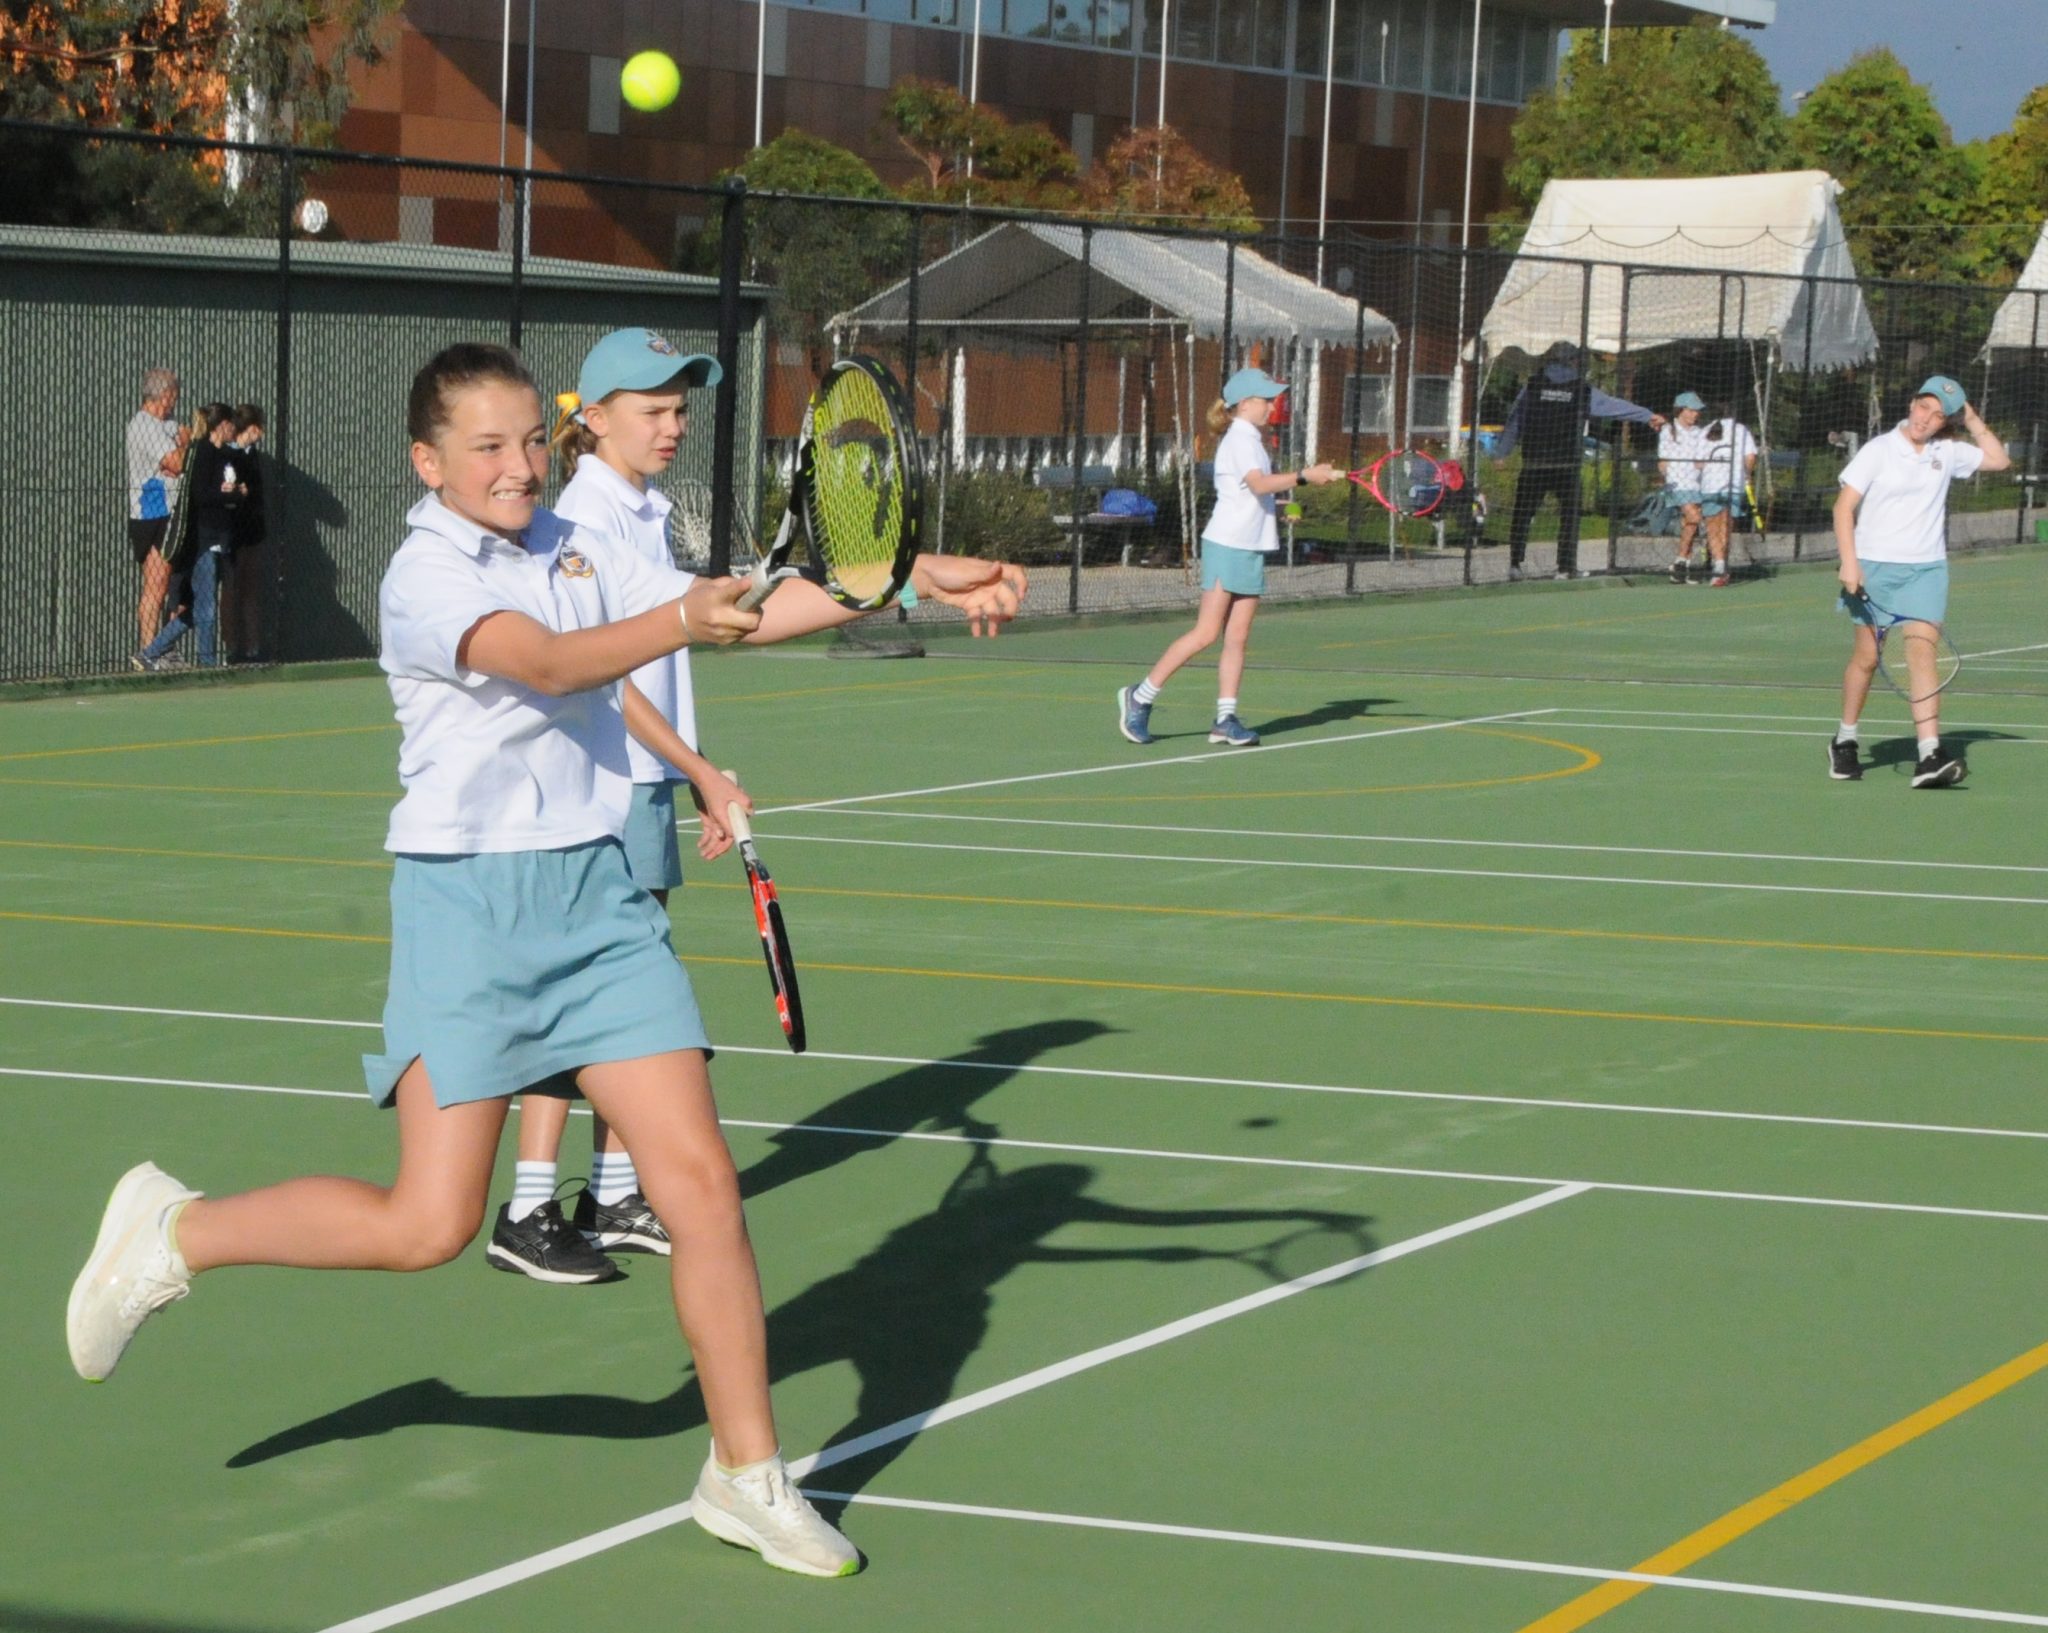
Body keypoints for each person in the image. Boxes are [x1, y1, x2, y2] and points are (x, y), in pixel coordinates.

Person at [66, 341, 1027, 1578]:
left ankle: (745, 1474)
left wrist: (893, 582)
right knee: (427, 1224)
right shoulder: (423, 574)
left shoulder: (574, 541)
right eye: (487, 447)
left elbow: (721, 615)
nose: (518, 465)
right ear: (428, 463)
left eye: (529, 439)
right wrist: (680, 618)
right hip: (470, 909)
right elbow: (553, 662)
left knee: (702, 1186)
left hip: (599, 904)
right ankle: (178, 1229)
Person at [476, 329, 736, 1287]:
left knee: (626, 995)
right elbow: (606, 678)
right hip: (609, 782)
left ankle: (613, 1192)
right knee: (590, 992)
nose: (674, 426)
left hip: (645, 779)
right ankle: (529, 1204)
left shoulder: (641, 507)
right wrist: (696, 768)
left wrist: (688, 767)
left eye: (681, 409)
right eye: (654, 409)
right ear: (593, 417)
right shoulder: (584, 517)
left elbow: (674, 641)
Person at [1117, 366, 1336, 748]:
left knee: (1237, 637)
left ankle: (1225, 719)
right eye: (1267, 400)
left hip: (1250, 546)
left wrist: (1281, 505)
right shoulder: (1240, 439)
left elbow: (1249, 494)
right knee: (1206, 633)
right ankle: (1139, 696)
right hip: (1227, 545)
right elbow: (1258, 484)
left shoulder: (1253, 440)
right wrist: (1304, 476)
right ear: (1245, 403)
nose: (1273, 406)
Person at [1828, 375, 2010, 788]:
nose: (1926, 418)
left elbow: (1999, 460)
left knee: (1923, 654)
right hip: (1874, 568)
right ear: (1912, 403)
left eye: (1938, 414)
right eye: (1923, 406)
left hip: (1927, 570)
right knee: (1867, 659)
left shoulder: (1948, 451)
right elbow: (1843, 509)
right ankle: (1845, 739)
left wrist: (1971, 418)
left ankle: (1929, 754)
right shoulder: (1879, 450)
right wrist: (1850, 564)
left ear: (1946, 422)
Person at [1494, 342, 1664, 581]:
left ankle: (1515, 565)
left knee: (1523, 514)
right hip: (1566, 464)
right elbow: (1611, 406)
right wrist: (1646, 415)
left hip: (1534, 462)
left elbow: (1516, 419)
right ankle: (1565, 567)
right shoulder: (1581, 388)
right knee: (1570, 516)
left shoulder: (1532, 385)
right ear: (1574, 361)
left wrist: (1502, 451)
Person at [134, 404, 239, 671]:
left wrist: (237, 493)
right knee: (205, 607)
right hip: (201, 540)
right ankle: (207, 665)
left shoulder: (224, 454)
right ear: (222, 425)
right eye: (231, 424)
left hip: (219, 538)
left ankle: (150, 653)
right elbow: (201, 495)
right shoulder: (201, 451)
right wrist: (228, 494)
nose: (234, 429)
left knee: (199, 608)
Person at [125, 368, 188, 647]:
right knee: (156, 584)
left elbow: (181, 455)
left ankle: (164, 649)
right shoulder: (144, 426)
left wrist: (184, 445)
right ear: (165, 395)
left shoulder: (168, 423)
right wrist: (186, 444)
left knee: (174, 585)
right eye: (174, 394)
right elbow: (178, 462)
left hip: (173, 511)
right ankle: (148, 650)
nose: (176, 401)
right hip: (152, 512)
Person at [1698, 409, 1759, 589]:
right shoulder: (1741, 429)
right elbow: (1750, 457)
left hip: (1710, 486)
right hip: (1733, 485)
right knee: (1725, 524)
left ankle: (1719, 565)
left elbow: (1698, 463)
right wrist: (1747, 474)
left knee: (1713, 527)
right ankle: (1721, 565)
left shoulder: (1704, 431)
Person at [227, 404, 268, 663]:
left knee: (251, 590)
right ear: (252, 428)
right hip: (233, 531)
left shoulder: (253, 455)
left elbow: (253, 490)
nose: (262, 432)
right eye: (260, 427)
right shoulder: (229, 454)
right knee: (232, 589)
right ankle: (231, 649)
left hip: (253, 530)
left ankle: (253, 648)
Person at [1658, 391, 1709, 584]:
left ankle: (1681, 564)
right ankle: (1685, 559)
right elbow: (1663, 461)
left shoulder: (1700, 432)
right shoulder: (1668, 430)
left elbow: (1702, 459)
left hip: (1697, 484)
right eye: (1691, 410)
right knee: (1695, 518)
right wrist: (1667, 479)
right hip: (1677, 484)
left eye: (1697, 411)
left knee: (1690, 524)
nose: (1696, 414)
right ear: (1681, 410)